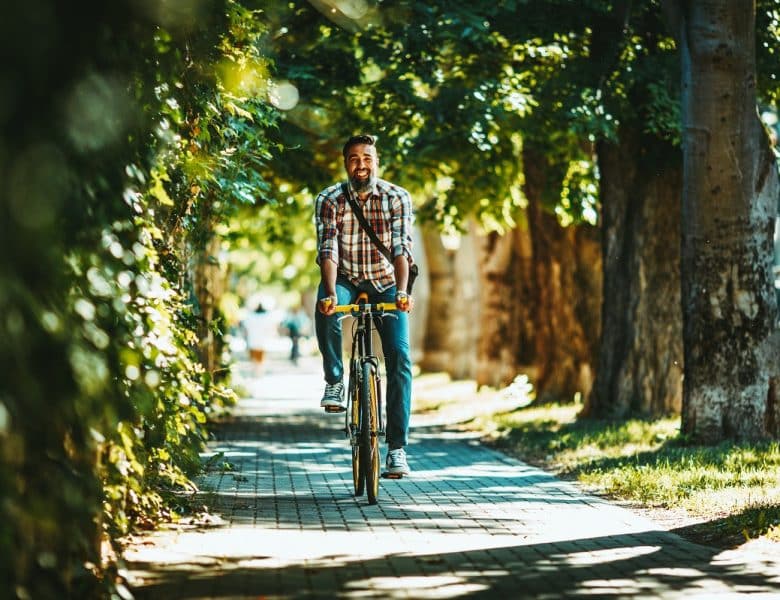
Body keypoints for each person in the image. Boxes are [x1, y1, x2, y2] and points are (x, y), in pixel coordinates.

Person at [314, 133, 415, 476]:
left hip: (386, 282)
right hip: (344, 277)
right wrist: (330, 292)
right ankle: (335, 380)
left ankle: (397, 449)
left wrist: (401, 292)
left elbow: (401, 247)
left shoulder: (397, 197)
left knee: (399, 357)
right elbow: (328, 248)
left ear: (377, 160)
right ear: (346, 164)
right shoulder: (329, 199)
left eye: (368, 158)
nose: (362, 165)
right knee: (324, 306)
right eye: (355, 158)